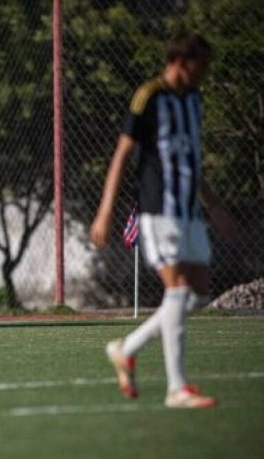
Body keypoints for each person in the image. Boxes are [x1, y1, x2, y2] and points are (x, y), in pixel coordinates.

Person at [89, 31, 236, 409]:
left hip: (190, 211)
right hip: (159, 210)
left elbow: (190, 161)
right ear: (181, 63)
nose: (205, 73)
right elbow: (122, 155)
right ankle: (177, 388)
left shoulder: (195, 100)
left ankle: (127, 348)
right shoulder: (150, 97)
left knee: (197, 295)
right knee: (178, 292)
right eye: (201, 65)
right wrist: (105, 211)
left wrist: (214, 205)